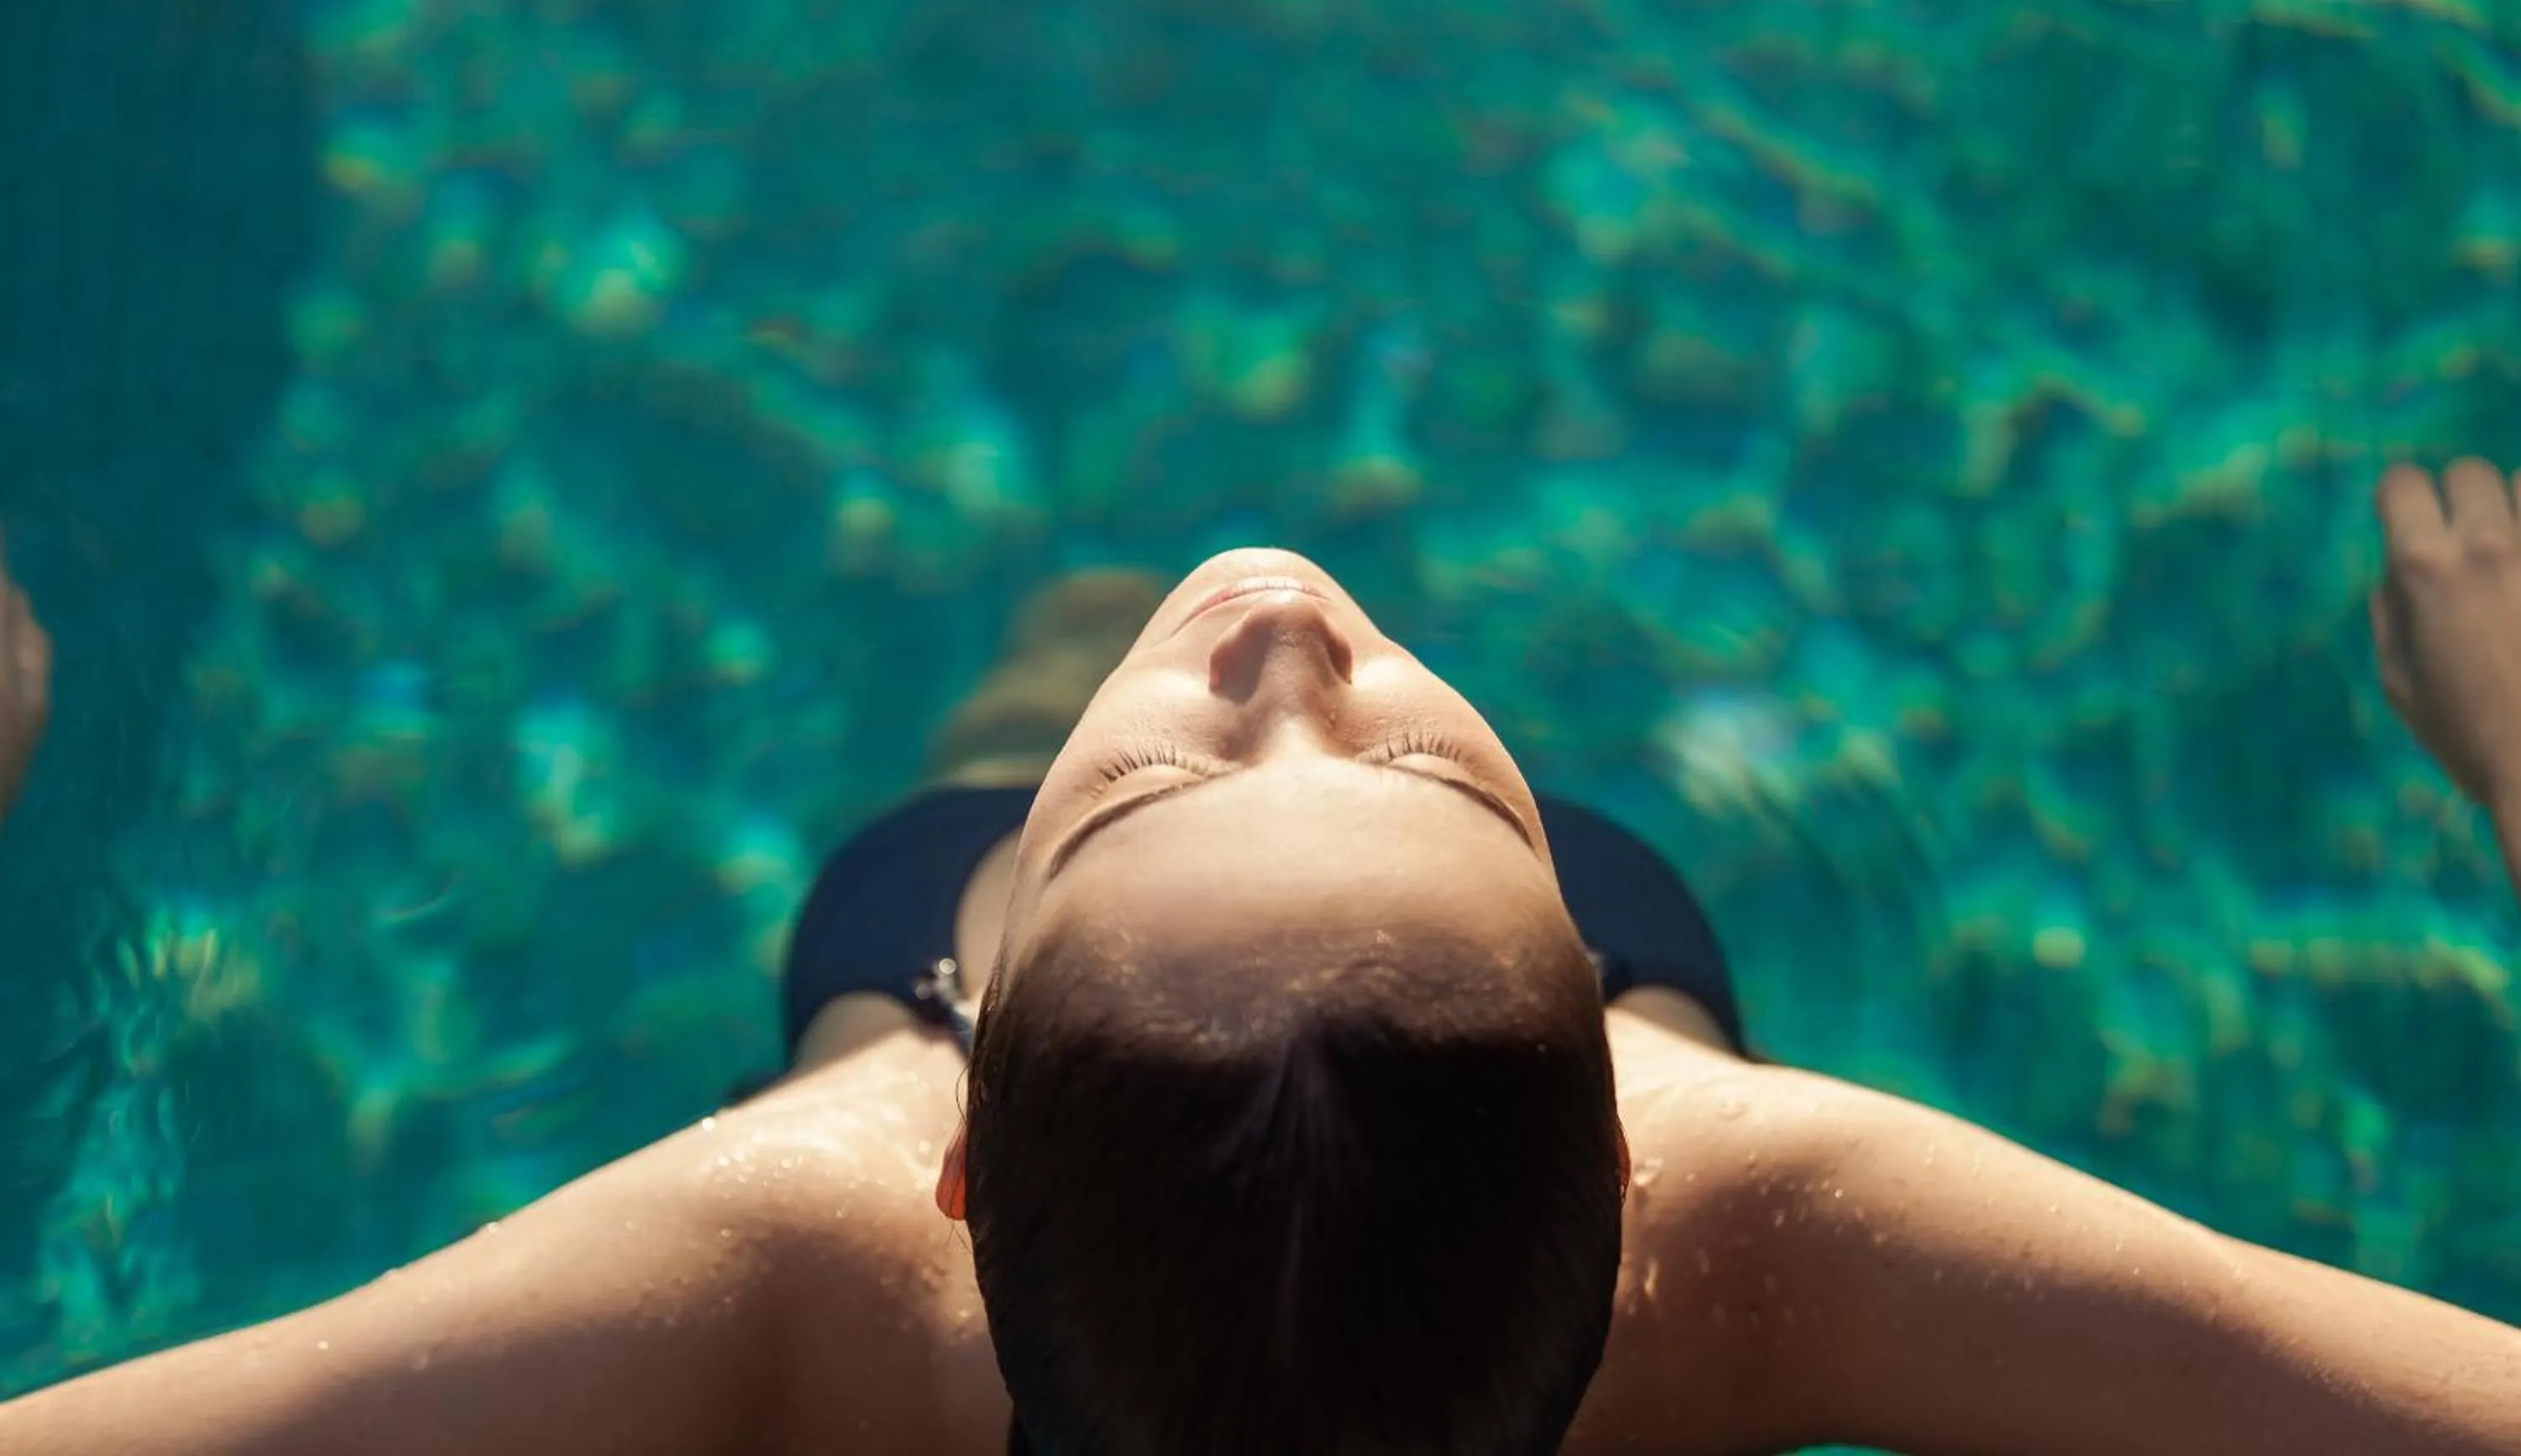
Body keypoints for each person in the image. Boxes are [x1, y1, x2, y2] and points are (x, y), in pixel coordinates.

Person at [3, 459, 2520, 1456]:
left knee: (1045, 654)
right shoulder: (1783, 1243)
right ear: (1626, 1152)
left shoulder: (789, 1253)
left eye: (1140, 795)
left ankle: (1046, 730)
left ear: (959, 1160)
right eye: (1416, 768)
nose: (1286, 636)